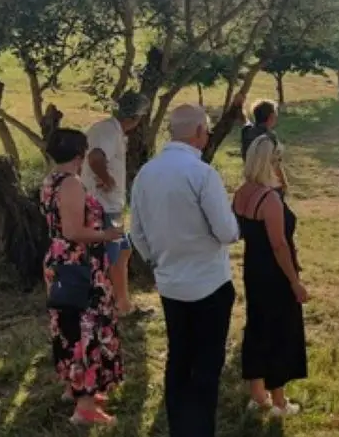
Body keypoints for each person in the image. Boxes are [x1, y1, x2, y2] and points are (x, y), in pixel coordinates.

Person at [130, 105, 240, 437]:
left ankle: (179, 425)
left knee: (178, 356)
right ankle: (200, 428)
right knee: (206, 362)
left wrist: (155, 261)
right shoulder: (202, 174)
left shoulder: (146, 174)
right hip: (209, 281)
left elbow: (136, 232)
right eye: (206, 131)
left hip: (170, 281)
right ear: (198, 133)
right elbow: (226, 232)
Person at [41, 128, 125, 427]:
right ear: (80, 154)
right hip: (79, 265)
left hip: (60, 262)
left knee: (68, 325)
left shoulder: (51, 180)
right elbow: (74, 232)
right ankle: (85, 408)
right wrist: (107, 234)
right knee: (86, 328)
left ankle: (74, 387)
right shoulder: (72, 184)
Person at [233, 134, 308, 417]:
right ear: (270, 161)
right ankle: (279, 401)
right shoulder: (270, 199)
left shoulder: (242, 193)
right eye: (278, 160)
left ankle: (257, 393)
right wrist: (294, 281)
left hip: (253, 267)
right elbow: (279, 244)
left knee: (257, 326)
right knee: (280, 331)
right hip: (275, 273)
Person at [81, 92, 149, 317]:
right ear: (136, 117)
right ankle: (118, 305)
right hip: (103, 206)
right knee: (113, 255)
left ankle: (120, 300)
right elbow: (96, 158)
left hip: (111, 205)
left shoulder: (112, 131)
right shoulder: (108, 131)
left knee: (124, 250)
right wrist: (106, 179)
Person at [240, 100, 289, 194]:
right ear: (271, 117)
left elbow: (245, 121)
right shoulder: (269, 138)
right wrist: (284, 183)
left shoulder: (246, 131)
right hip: (268, 184)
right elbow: (275, 164)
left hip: (250, 182)